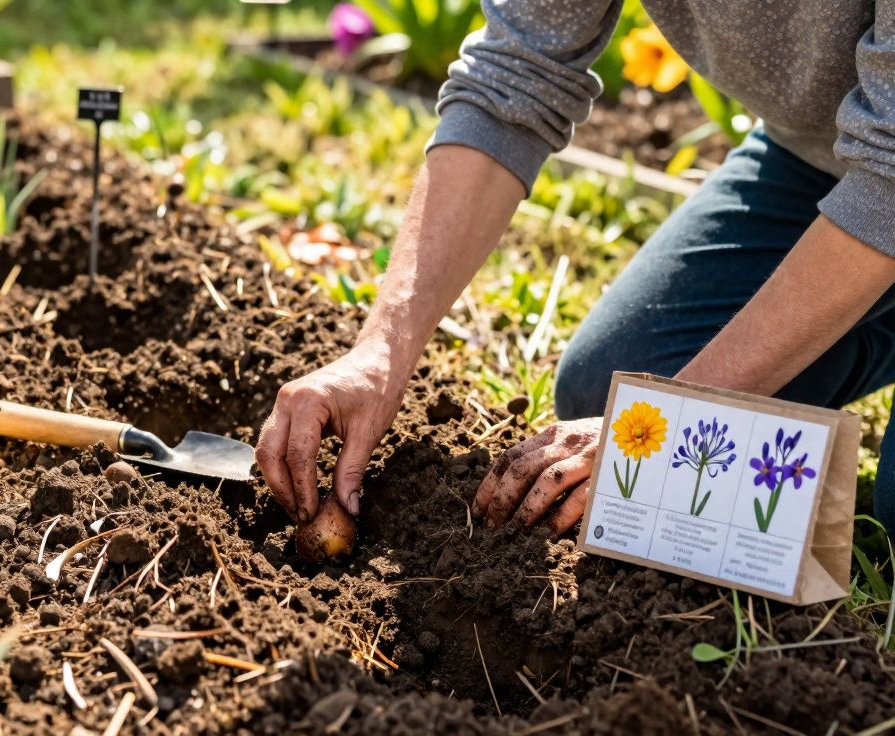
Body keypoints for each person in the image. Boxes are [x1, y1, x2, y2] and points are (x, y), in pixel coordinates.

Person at [255, 1, 895, 535]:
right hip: (822, 158)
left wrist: (662, 424)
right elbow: (513, 74)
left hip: (885, 170)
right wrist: (380, 352)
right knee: (610, 391)